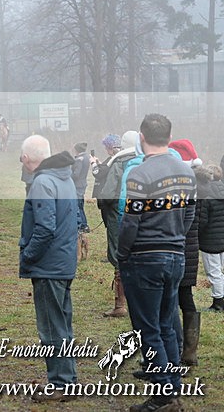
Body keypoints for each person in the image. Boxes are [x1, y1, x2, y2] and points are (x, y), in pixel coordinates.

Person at [118, 114, 195, 412]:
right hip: (175, 256)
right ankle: (171, 390)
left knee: (148, 329)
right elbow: (188, 216)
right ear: (168, 135)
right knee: (166, 325)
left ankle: (163, 397)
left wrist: (122, 254)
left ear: (141, 136)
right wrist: (174, 237)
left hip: (145, 257)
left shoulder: (140, 173)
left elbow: (130, 222)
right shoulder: (186, 172)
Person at [18, 135, 79, 403]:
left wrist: (28, 256)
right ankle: (69, 379)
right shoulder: (64, 178)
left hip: (48, 266)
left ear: (27, 158)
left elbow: (44, 228)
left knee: (52, 329)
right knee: (62, 324)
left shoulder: (42, 181)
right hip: (63, 263)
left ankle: (61, 384)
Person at [96, 130, 139, 318]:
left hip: (119, 215)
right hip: (143, 216)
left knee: (119, 255)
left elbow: (108, 192)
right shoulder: (146, 159)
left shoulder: (119, 162)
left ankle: (120, 304)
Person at [168, 139, 202, 368]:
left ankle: (177, 349)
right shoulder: (200, 182)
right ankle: (189, 351)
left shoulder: (179, 184)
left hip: (179, 246)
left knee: (171, 299)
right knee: (185, 297)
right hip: (190, 248)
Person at [199, 164, 224, 311]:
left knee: (214, 272)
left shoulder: (207, 196)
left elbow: (203, 222)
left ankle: (218, 303)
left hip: (210, 241)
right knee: (220, 271)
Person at [71, 142, 90, 234]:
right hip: (82, 184)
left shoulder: (79, 159)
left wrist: (67, 176)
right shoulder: (86, 157)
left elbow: (76, 174)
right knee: (80, 205)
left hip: (77, 185)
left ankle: (82, 225)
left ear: (77, 150)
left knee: (78, 205)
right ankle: (84, 224)